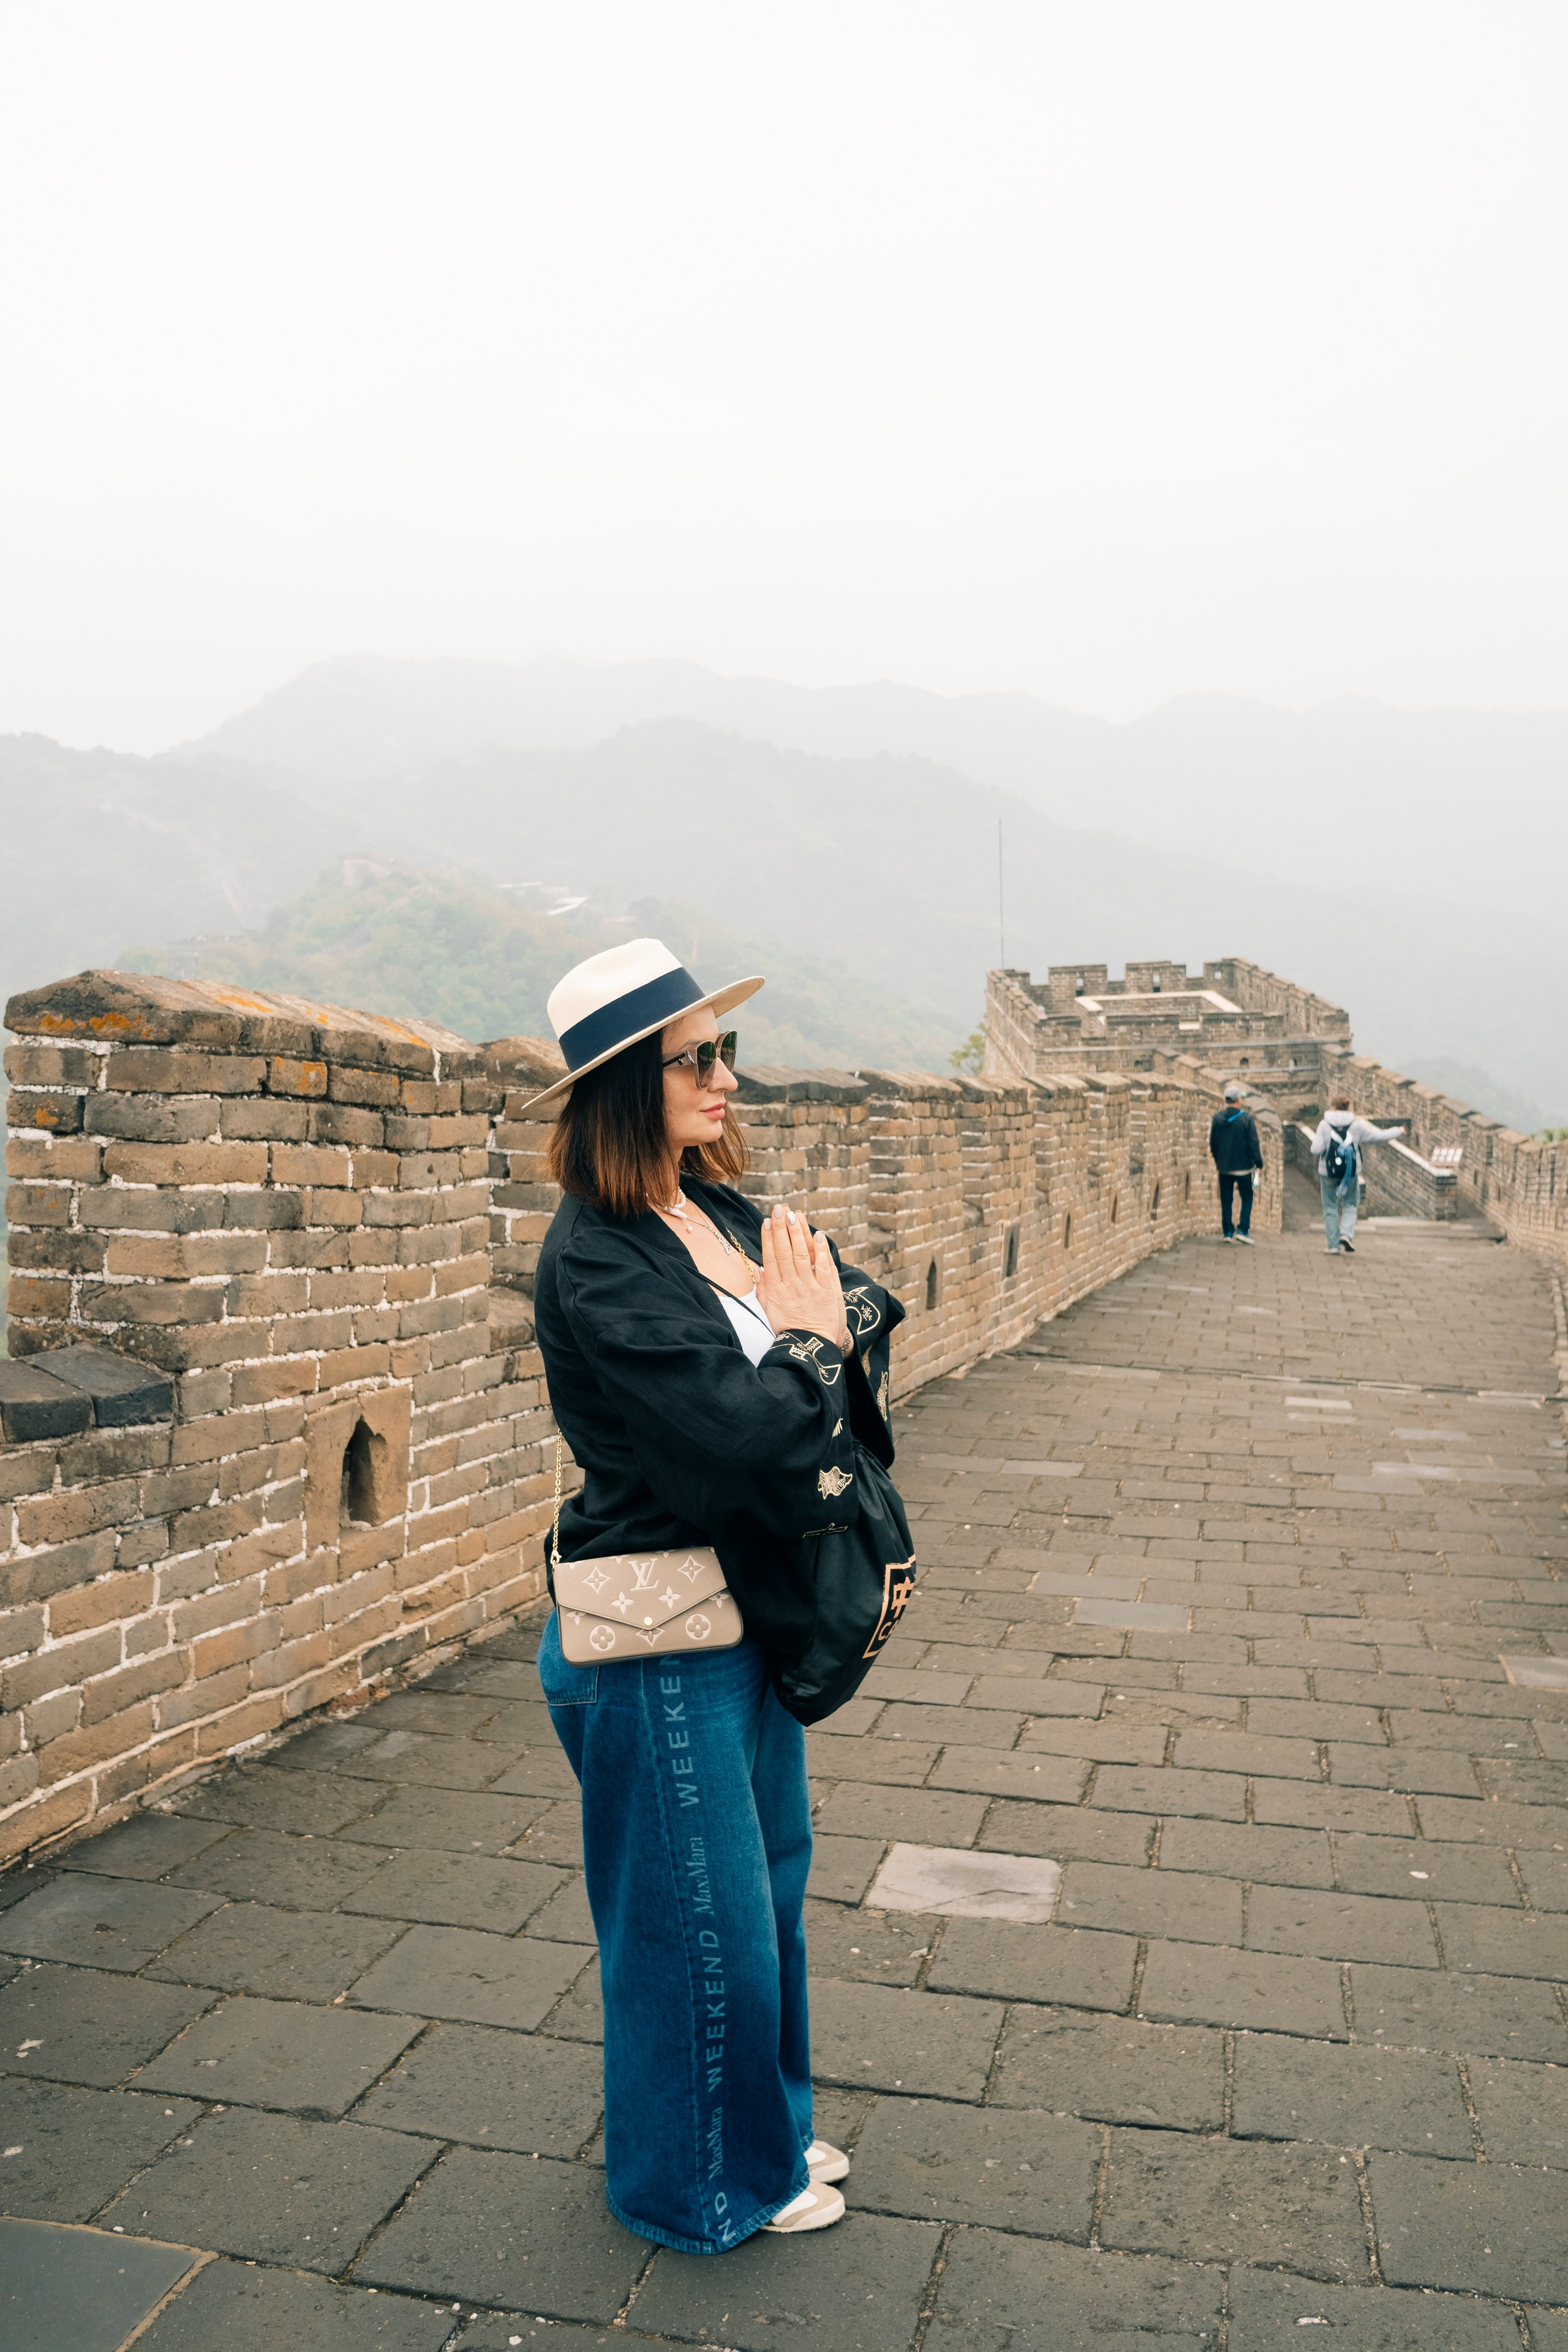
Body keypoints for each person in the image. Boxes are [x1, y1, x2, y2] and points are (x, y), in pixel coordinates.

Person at [526, 938, 904, 2255]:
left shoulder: (716, 1213)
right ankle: (699, 2187)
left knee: (768, 1893)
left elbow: (858, 1317)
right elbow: (744, 1430)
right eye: (699, 1060)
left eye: (725, 1053)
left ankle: (765, 2124)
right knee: (696, 1920)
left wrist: (816, 1336)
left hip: (748, 1611)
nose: (727, 1080)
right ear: (631, 1084)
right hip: (658, 1630)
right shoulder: (599, 1258)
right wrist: (805, 1341)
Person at [1311, 1095, 1405, 1254]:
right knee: (1350, 1204)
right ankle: (1346, 1234)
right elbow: (1378, 1136)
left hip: (1327, 1173)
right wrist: (1398, 1131)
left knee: (1330, 1208)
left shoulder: (1324, 1125)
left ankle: (1333, 1246)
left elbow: (1315, 1149)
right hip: (1350, 1174)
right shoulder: (1356, 1125)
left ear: (1333, 1107)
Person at [1208, 1080, 1263, 1244]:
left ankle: (1227, 1232)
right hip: (1243, 1168)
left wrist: (1219, 1160)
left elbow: (1213, 1143)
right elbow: (1253, 1143)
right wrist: (1259, 1164)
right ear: (1238, 1099)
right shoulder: (1246, 1119)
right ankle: (1243, 1230)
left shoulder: (1217, 1119)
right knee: (1247, 1196)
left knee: (1226, 1199)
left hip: (1225, 1168)